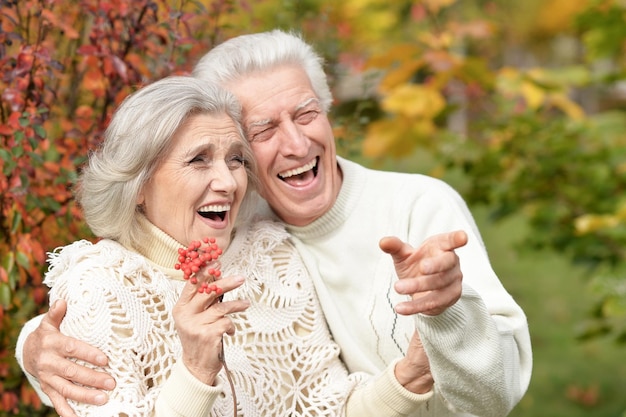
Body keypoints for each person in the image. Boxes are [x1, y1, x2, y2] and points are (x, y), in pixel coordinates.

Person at [17, 30, 532, 417]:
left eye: (306, 114)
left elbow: (331, 404)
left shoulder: (286, 242)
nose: (295, 144)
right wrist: (35, 343)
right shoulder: (118, 277)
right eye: (262, 130)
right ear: (140, 183)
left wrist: (435, 338)